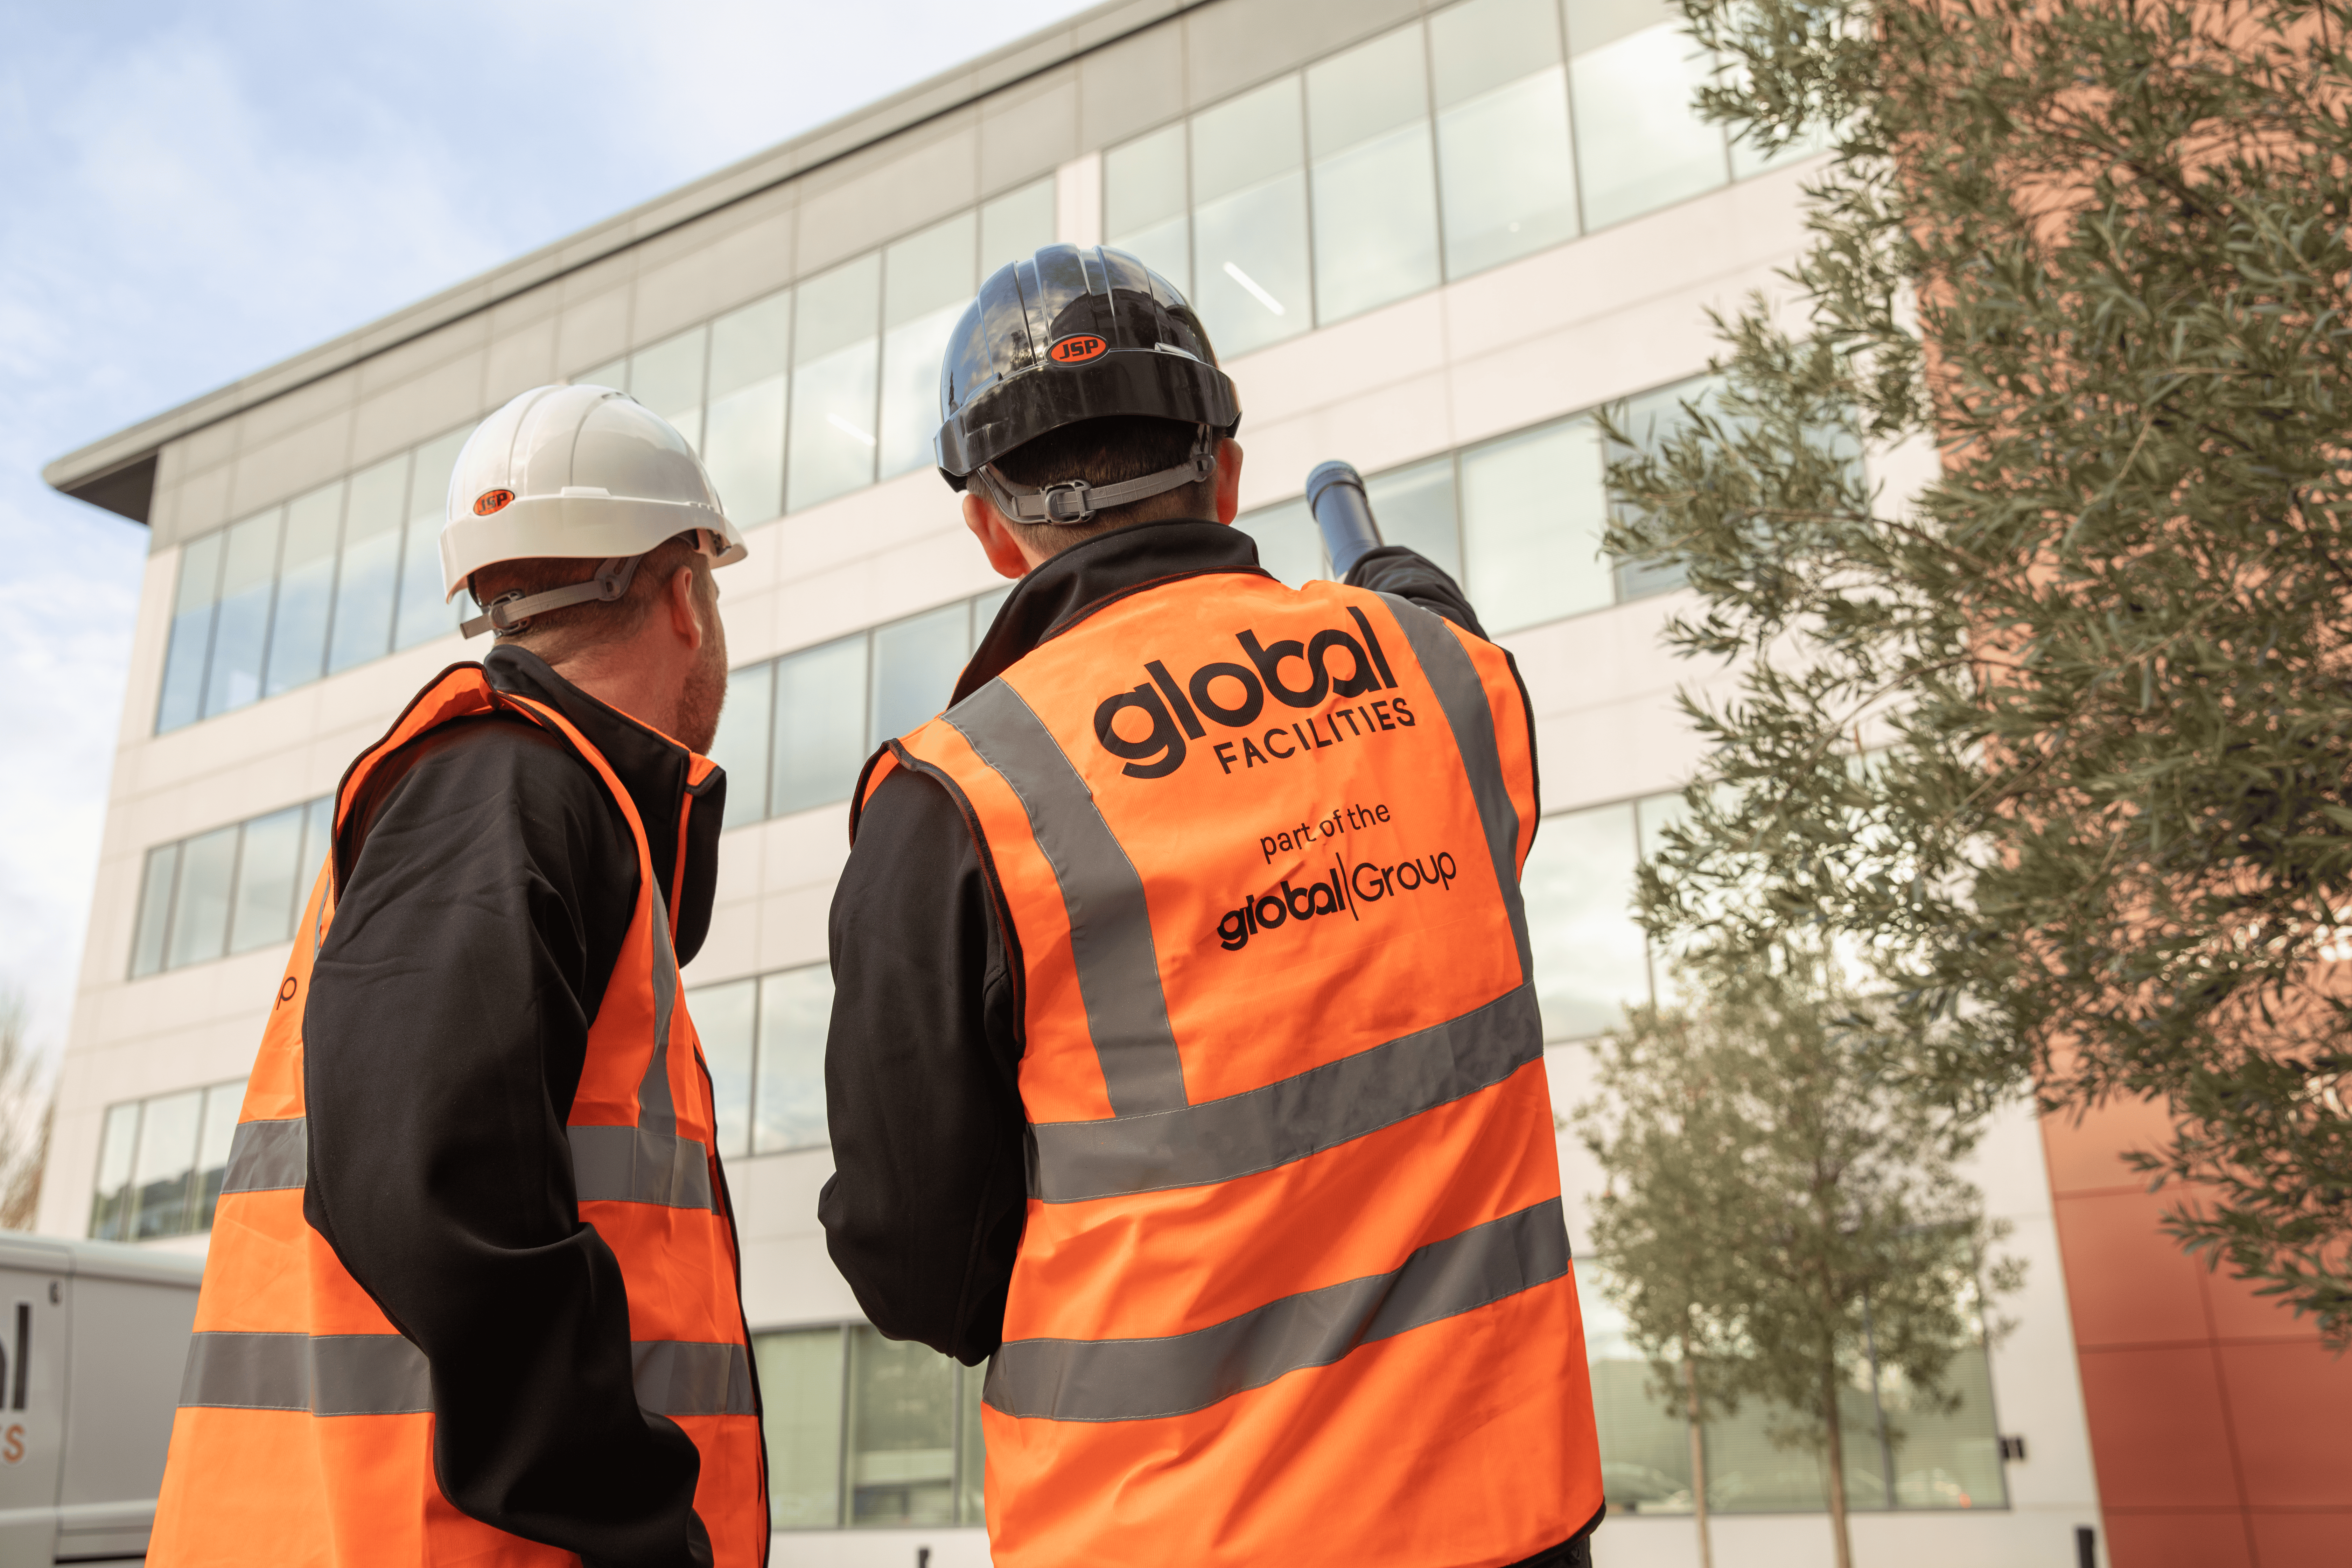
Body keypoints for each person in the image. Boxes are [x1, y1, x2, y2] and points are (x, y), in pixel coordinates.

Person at [820, 244, 1605, 1568]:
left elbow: (920, 1276)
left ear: (990, 527)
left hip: (1169, 1535)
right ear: (1225, 469)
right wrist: (1413, 607)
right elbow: (1477, 771)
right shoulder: (1447, 681)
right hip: (1503, 1511)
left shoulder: (955, 797)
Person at [150, 385, 767, 1568]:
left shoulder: (519, 797)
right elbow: (430, 1195)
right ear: (685, 594)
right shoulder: (507, 785)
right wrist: (639, 1521)